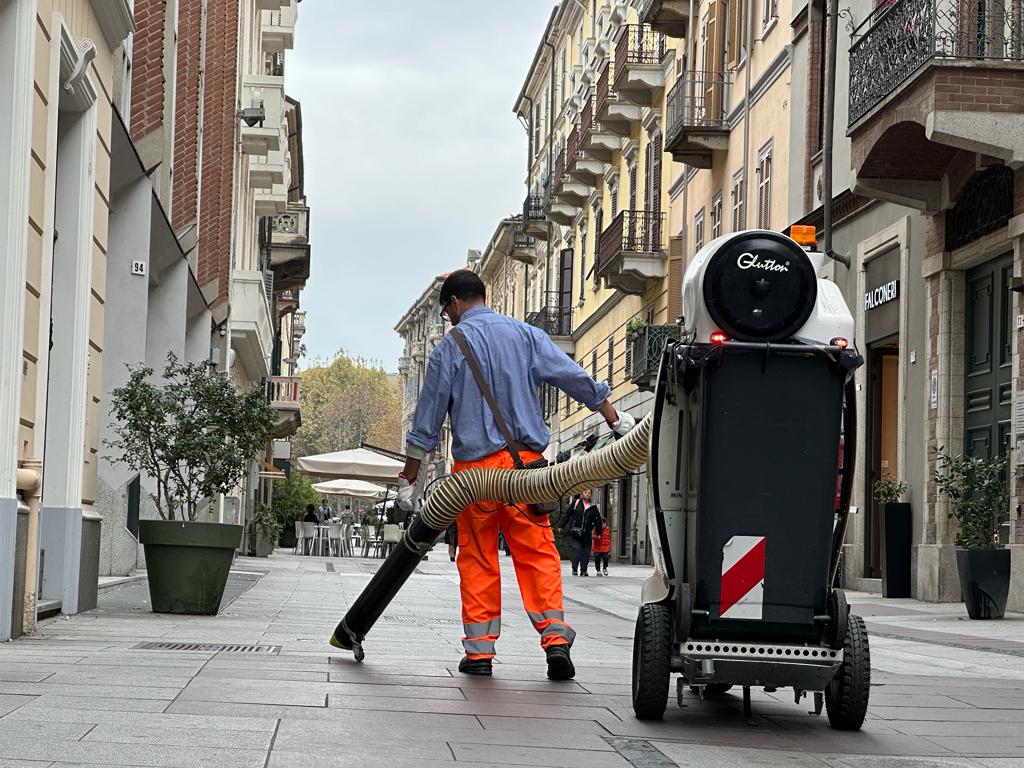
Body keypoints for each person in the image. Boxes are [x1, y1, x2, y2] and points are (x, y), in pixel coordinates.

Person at [397, 270, 635, 680]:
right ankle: (556, 642)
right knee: (537, 553)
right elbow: (571, 376)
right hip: (527, 469)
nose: (449, 320)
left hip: (475, 477)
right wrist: (613, 417)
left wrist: (409, 482)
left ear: (454, 303)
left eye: (446, 313)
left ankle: (480, 654)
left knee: (477, 557)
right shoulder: (526, 336)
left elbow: (426, 423)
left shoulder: (450, 347)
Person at [561, 490, 602, 576]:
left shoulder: (593, 507)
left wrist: (599, 532)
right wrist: (561, 526)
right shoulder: (576, 503)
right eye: (585, 492)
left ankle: (584, 570)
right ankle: (574, 568)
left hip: (586, 533)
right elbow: (568, 514)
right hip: (575, 532)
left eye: (589, 493)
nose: (587, 494)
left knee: (585, 552)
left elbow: (598, 520)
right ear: (581, 494)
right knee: (576, 550)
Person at [592, 510, 611, 577]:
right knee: (597, 558)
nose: (602, 525)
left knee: (606, 558)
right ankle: (598, 570)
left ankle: (604, 568)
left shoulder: (608, 529)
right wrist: (597, 537)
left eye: (603, 523)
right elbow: (593, 536)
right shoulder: (595, 529)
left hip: (605, 547)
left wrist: (609, 548)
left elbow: (608, 539)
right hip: (597, 547)